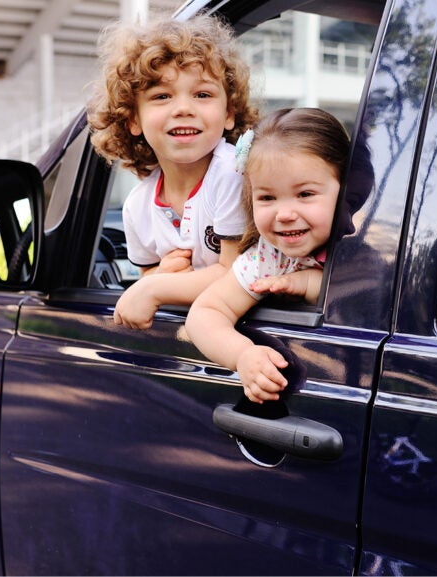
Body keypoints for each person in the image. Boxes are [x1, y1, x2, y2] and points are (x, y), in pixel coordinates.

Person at [86, 12, 258, 329]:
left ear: (229, 112)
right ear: (133, 120)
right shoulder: (138, 205)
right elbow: (149, 273)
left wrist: (155, 288)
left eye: (202, 94)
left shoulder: (232, 173)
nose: (183, 108)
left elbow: (232, 273)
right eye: (162, 96)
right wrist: (158, 278)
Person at [185, 108, 350, 403]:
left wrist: (310, 284)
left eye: (305, 194)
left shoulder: (369, 245)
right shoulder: (269, 258)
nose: (284, 214)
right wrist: (242, 354)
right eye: (267, 198)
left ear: (348, 190)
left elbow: (368, 299)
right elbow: (205, 314)